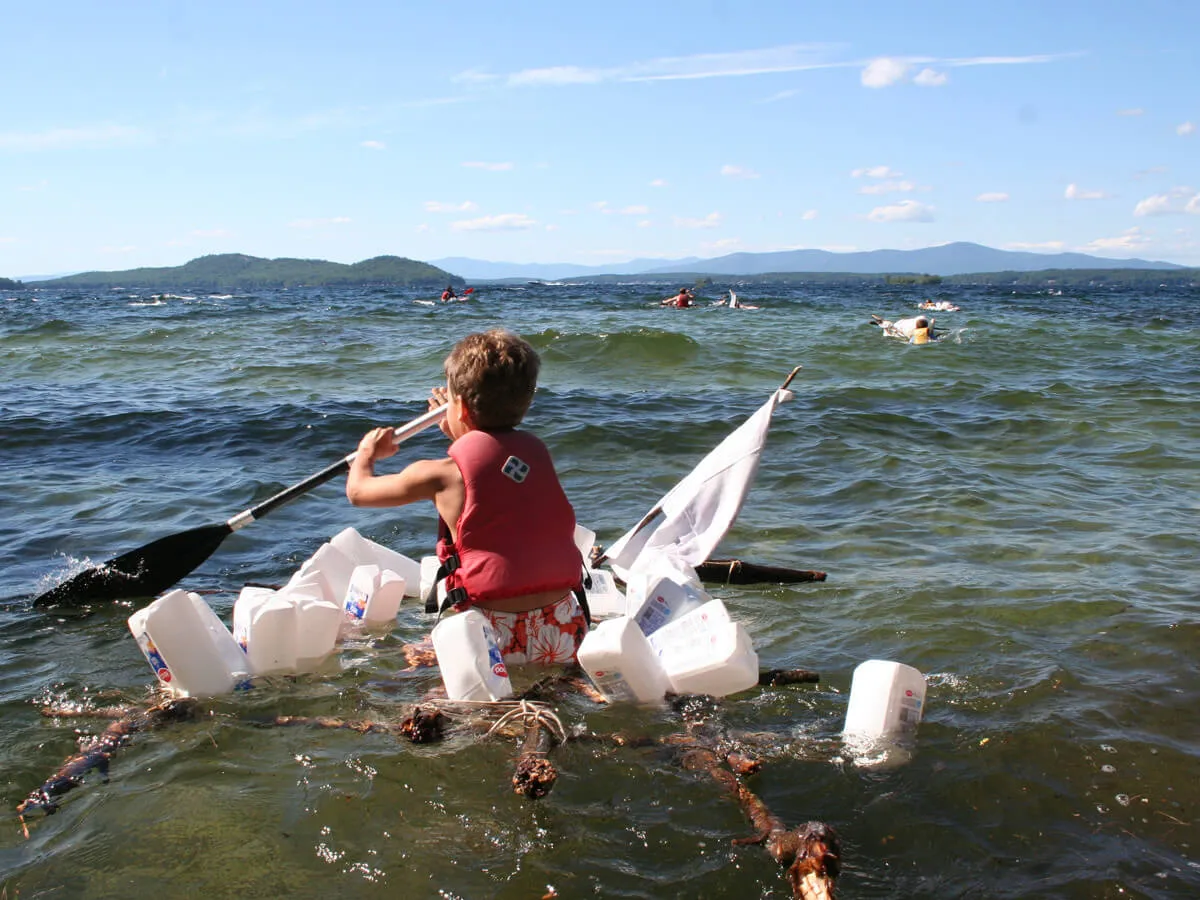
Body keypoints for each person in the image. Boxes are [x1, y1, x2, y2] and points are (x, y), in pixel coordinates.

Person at [346, 330, 588, 666]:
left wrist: (366, 453)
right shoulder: (536, 453)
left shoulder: (439, 475)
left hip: (494, 633)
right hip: (564, 625)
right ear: (527, 400)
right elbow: (492, 476)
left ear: (457, 407)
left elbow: (359, 493)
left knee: (413, 658)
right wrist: (461, 427)